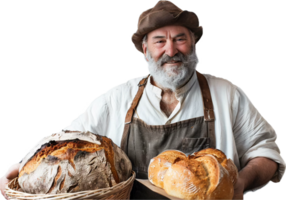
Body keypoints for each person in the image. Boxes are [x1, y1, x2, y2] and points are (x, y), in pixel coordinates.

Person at [1, 0, 285, 200]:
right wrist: (18, 167)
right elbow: (62, 140)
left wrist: (241, 184)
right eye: (160, 40)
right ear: (145, 49)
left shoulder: (226, 94)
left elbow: (267, 154)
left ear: (194, 42)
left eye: (180, 39)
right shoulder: (117, 97)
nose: (171, 49)